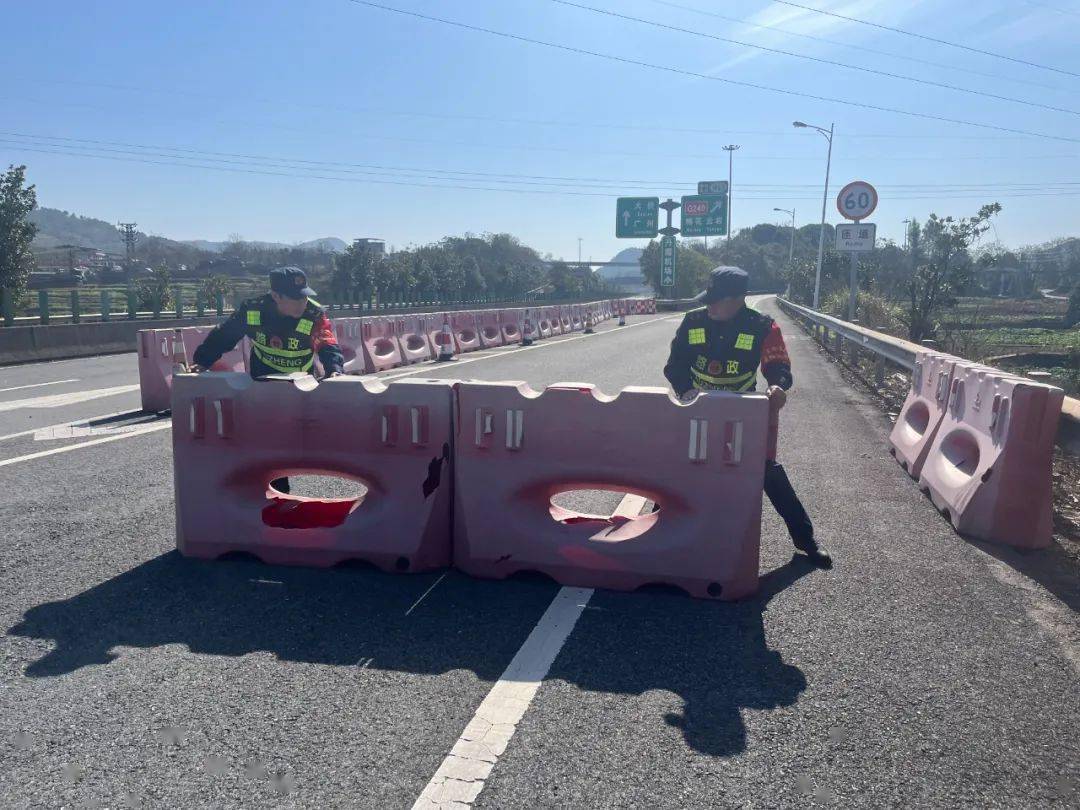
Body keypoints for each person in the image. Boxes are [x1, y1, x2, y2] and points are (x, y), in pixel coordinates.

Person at [663, 266, 832, 569]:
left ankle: (805, 541)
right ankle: (659, 531)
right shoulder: (694, 322)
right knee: (679, 468)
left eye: (717, 300)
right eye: (708, 298)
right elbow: (675, 366)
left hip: (741, 413)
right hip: (697, 409)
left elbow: (778, 364)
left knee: (766, 470)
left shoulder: (761, 326)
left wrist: (778, 386)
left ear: (739, 298)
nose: (710, 305)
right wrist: (686, 392)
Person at [191, 266, 345, 494]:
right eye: (294, 299)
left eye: (304, 297)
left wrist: (334, 370)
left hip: (300, 387)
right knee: (268, 441)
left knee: (298, 439)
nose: (301, 303)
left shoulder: (314, 314)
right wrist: (202, 361)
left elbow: (327, 341)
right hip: (263, 384)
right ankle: (275, 494)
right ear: (275, 296)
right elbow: (225, 335)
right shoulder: (253, 310)